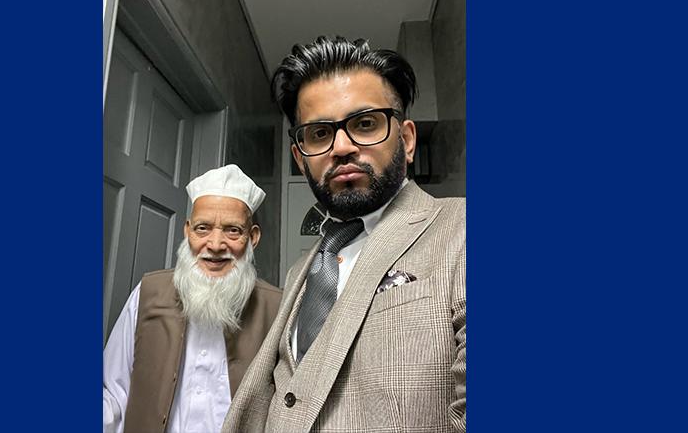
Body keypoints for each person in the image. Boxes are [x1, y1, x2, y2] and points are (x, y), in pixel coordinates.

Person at [223, 36, 466, 432]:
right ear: (300, 158)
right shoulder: (303, 269)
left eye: (365, 124)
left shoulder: (461, 227)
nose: (341, 147)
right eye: (319, 133)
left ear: (405, 140)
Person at [103, 164, 283, 433]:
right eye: (203, 228)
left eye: (233, 230)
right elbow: (113, 393)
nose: (215, 244)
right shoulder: (148, 292)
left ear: (253, 237)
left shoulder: (278, 308)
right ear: (188, 231)